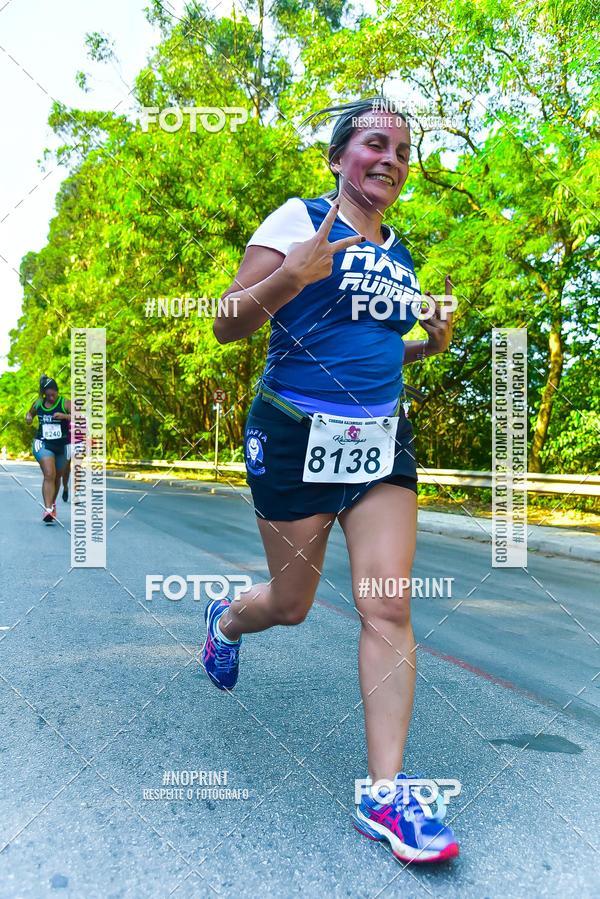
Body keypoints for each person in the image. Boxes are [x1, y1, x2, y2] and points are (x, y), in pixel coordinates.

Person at [203, 97, 457, 864]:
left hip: (380, 438)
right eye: (376, 143)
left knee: (388, 605)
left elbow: (371, 355)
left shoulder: (400, 249)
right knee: (292, 602)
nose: (391, 159)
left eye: (404, 151)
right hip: (293, 432)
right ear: (339, 156)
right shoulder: (299, 218)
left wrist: (427, 347)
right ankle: (228, 618)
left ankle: (386, 796)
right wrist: (291, 276)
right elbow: (225, 321)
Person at [26, 375, 71, 523]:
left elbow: (82, 417)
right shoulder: (38, 403)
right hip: (43, 444)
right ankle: (48, 510)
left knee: (57, 476)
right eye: (48, 395)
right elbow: (29, 413)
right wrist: (28, 418)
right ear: (43, 394)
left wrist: (65, 416)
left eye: (54, 394)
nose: (51, 398)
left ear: (57, 392)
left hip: (63, 446)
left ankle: (52, 505)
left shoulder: (65, 403)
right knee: (49, 474)